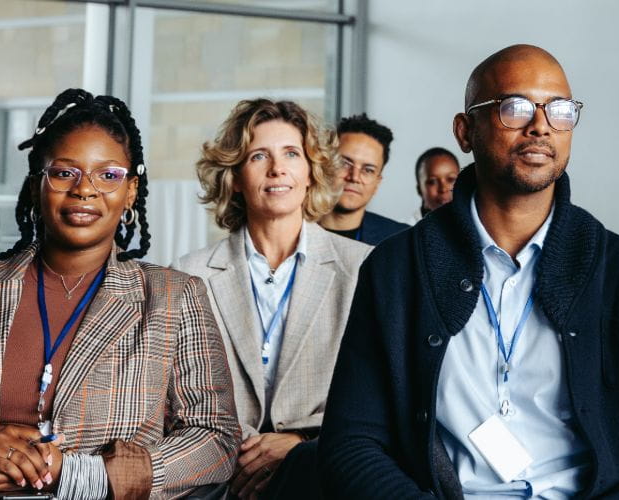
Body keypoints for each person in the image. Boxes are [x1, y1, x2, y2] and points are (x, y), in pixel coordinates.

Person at [321, 44, 619, 499]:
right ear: (465, 130)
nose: (540, 126)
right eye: (515, 107)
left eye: (560, 110)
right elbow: (351, 444)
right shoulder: (396, 270)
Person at [0, 89, 238, 500]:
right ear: (37, 185)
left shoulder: (174, 297)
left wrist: (77, 475)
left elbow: (214, 439)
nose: (85, 189)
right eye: (65, 172)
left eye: (108, 175)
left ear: (131, 192)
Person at [176, 98, 371, 500]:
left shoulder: (363, 268)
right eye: (258, 156)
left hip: (324, 471)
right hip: (220, 474)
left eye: (291, 154)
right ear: (235, 177)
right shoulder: (190, 274)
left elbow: (375, 396)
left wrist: (299, 442)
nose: (277, 169)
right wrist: (249, 453)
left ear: (311, 171)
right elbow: (178, 396)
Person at [318, 114, 410, 245]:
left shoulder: (401, 239)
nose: (354, 177)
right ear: (324, 165)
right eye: (344, 163)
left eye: (368, 170)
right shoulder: (290, 231)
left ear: (377, 183)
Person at [412, 147, 460, 222]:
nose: (443, 189)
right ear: (419, 190)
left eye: (451, 179)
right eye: (432, 182)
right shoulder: (406, 229)